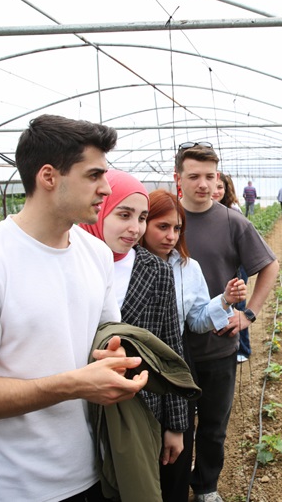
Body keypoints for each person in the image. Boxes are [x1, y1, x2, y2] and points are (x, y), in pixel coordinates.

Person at [0, 114, 149, 501]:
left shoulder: (95, 253)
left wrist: (116, 358)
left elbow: (107, 336)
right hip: (19, 486)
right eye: (94, 175)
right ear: (49, 176)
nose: (105, 188)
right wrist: (74, 384)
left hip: (93, 467)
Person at [174, 143, 279, 502]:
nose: (203, 184)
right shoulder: (169, 220)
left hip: (219, 345)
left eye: (210, 176)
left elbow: (269, 266)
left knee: (214, 425)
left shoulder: (233, 221)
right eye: (195, 176)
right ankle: (172, 487)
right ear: (179, 179)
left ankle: (205, 486)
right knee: (176, 425)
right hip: (174, 349)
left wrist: (248, 314)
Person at [78, 170, 189, 488]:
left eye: (141, 218)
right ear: (99, 210)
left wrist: (177, 425)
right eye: (123, 214)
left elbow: (170, 347)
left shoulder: (155, 269)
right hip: (82, 408)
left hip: (143, 405)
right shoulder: (75, 265)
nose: (135, 228)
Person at [141, 189, 247, 501]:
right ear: (143, 223)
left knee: (177, 439)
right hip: (137, 361)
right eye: (162, 227)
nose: (171, 236)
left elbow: (196, 321)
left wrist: (224, 300)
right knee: (144, 440)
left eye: (177, 229)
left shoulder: (188, 267)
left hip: (175, 360)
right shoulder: (125, 264)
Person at [215, 172, 251, 361]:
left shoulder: (232, 211)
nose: (215, 191)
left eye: (220, 187)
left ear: (227, 190)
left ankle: (243, 349)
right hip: (223, 265)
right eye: (214, 186)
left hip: (237, 265)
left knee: (238, 305)